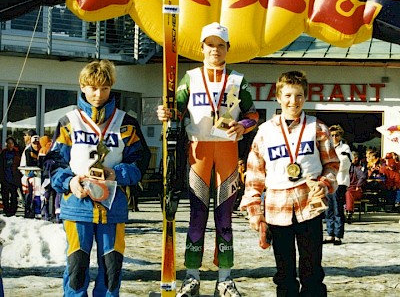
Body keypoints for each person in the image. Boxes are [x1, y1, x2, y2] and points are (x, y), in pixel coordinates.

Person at [157, 22, 259, 297]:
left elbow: (253, 114)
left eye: (220, 45)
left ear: (228, 49)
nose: (215, 50)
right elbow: (176, 110)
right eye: (210, 44)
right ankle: (192, 277)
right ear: (202, 48)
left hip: (227, 152)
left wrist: (244, 125)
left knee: (224, 217)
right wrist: (166, 114)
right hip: (198, 151)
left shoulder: (238, 79)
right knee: (197, 215)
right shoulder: (190, 77)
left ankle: (225, 279)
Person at [47, 59, 150, 296]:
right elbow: (54, 162)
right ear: (83, 86)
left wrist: (117, 173)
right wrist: (70, 181)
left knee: (112, 267)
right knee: (77, 266)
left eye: (104, 88)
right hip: (77, 205)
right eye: (93, 88)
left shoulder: (126, 122)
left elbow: (140, 161)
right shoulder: (68, 122)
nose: (98, 94)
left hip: (112, 206)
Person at [240, 71, 339, 297]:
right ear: (278, 97)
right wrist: (255, 212)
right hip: (277, 208)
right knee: (284, 272)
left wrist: (324, 184)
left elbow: (332, 164)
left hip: (309, 207)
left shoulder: (317, 128)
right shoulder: (265, 132)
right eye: (287, 96)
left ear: (305, 97)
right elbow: (254, 175)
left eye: (298, 96)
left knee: (312, 270)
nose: (293, 101)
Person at [324, 125, 352, 245]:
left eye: (337, 135)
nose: (334, 137)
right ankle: (330, 234)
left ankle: (338, 235)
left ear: (341, 136)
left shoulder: (345, 148)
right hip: (328, 181)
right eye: (332, 135)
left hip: (340, 181)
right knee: (328, 209)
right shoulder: (326, 147)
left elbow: (344, 164)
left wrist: (331, 165)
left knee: (338, 209)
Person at [0, 137, 22, 216]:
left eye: (11, 143)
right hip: (5, 177)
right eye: (8, 143)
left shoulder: (16, 153)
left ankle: (13, 211)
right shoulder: (3, 153)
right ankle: (7, 211)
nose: (10, 145)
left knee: (14, 196)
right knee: (5, 196)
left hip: (14, 178)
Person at [345, 151, 368, 223]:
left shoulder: (355, 168)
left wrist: (358, 185)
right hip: (344, 190)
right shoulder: (343, 168)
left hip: (355, 190)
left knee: (349, 193)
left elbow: (363, 176)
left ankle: (349, 212)